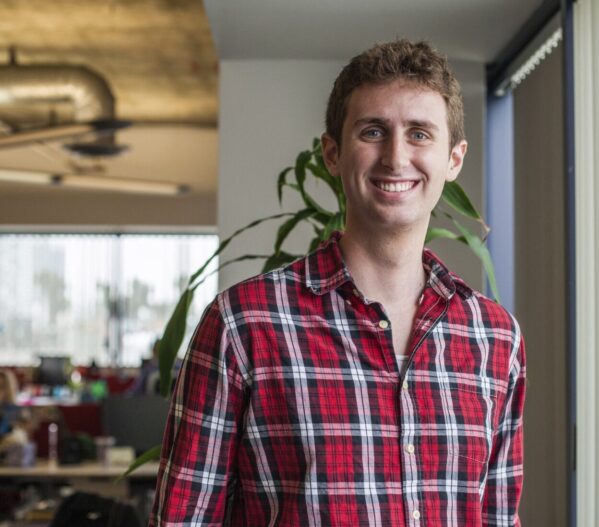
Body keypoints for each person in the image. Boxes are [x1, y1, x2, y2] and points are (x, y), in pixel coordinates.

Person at [151, 39, 526, 526]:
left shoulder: (495, 337)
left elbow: (499, 517)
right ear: (333, 153)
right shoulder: (243, 325)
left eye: (419, 134)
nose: (396, 157)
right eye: (373, 131)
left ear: (453, 159)